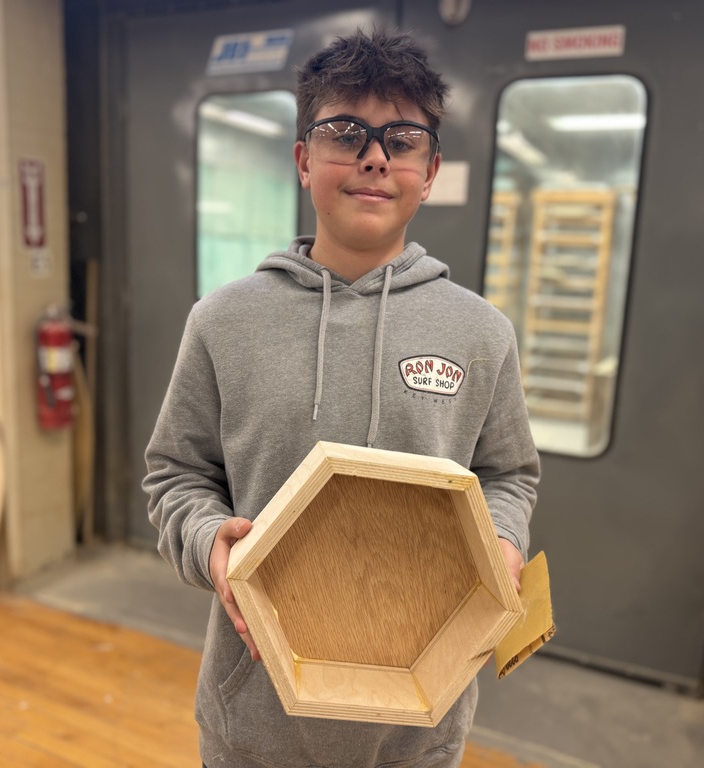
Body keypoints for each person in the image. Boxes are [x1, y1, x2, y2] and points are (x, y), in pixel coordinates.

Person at [144, 27, 540, 768]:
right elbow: (175, 476)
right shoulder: (223, 322)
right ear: (302, 160)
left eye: (402, 138)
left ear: (429, 172)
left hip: (418, 727)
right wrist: (210, 543)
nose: (374, 156)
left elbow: (509, 475)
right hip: (254, 720)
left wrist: (506, 542)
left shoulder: (481, 333)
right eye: (345, 132)